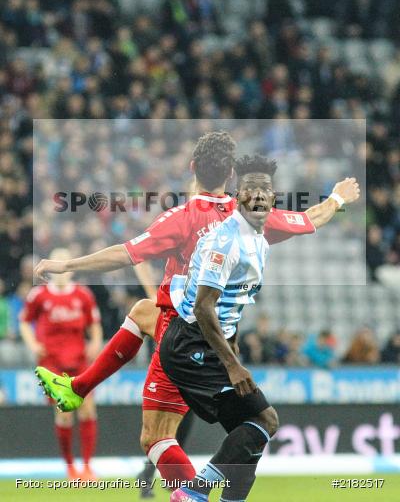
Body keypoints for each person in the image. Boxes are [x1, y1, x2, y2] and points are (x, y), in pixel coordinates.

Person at [34, 131, 360, 486]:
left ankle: (189, 492)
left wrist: (67, 266)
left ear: (192, 168)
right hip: (218, 334)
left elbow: (126, 253)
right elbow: (310, 219)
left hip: (184, 334)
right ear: (232, 176)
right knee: (145, 311)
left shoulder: (183, 217)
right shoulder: (253, 215)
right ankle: (79, 388)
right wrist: (337, 198)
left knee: (158, 437)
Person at [159, 155, 281, 502]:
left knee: (249, 444)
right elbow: (203, 307)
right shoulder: (224, 241)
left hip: (211, 342)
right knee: (265, 421)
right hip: (191, 345)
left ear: (273, 197)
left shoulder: (259, 242)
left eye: (265, 190)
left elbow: (235, 304)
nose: (258, 196)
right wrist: (231, 363)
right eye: (251, 189)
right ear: (237, 196)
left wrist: (234, 345)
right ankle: (193, 493)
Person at [20, 248, 102, 480]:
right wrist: (33, 344)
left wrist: (95, 341)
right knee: (64, 413)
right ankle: (70, 467)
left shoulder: (83, 295)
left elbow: (94, 324)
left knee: (87, 410)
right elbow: (24, 322)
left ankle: (87, 466)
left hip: (79, 360)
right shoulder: (40, 296)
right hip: (53, 362)